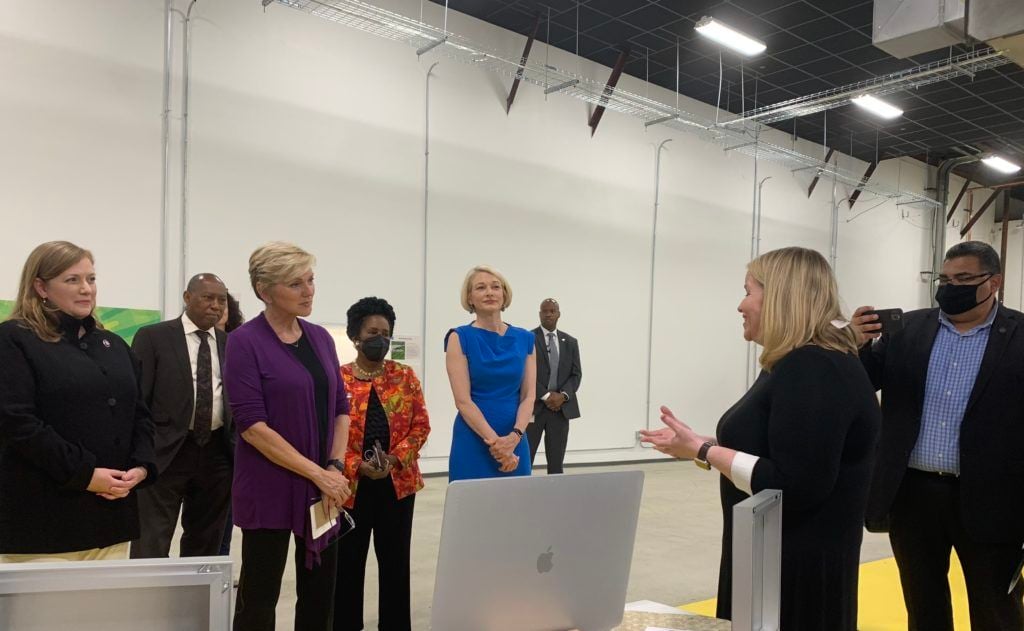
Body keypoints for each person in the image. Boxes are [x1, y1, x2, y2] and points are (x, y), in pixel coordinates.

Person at [641, 246, 880, 631]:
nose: (741, 304)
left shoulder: (813, 367)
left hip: (791, 576)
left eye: (749, 291)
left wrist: (705, 449)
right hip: (771, 561)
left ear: (781, 297)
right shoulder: (792, 364)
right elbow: (775, 449)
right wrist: (698, 448)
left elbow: (796, 484)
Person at [852, 240, 1024, 631]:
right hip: (912, 495)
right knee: (922, 603)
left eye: (964, 278)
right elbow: (862, 386)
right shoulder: (908, 329)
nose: (951, 286)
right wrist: (857, 347)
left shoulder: (1019, 336)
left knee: (996, 607)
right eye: (944, 278)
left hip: (993, 499)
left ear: (994, 282)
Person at [0, 241, 157, 562]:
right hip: (42, 524)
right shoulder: (14, 339)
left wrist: (141, 466)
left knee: (107, 613)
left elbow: (139, 414)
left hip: (112, 518)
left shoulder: (113, 345)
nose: (86, 289)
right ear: (40, 286)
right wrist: (85, 474)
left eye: (91, 279)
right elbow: (17, 423)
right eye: (72, 280)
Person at [224, 242, 352, 631]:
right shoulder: (244, 342)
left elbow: (340, 408)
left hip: (323, 487)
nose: (308, 290)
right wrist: (318, 473)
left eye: (310, 280)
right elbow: (252, 426)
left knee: (320, 592)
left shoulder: (321, 338)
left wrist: (334, 466)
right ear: (265, 290)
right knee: (259, 595)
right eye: (295, 284)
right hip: (269, 484)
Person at [335, 297, 431, 631]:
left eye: (386, 332)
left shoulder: (404, 376)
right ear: (355, 337)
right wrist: (355, 464)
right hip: (349, 487)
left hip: (398, 485)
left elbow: (421, 426)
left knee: (395, 564)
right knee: (347, 563)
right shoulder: (338, 379)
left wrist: (393, 459)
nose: (381, 339)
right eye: (373, 332)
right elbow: (325, 435)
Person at [130, 273, 234, 559]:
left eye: (221, 300)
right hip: (165, 452)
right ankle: (147, 601)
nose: (215, 305)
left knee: (206, 542)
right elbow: (138, 399)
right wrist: (140, 453)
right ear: (187, 298)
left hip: (217, 454)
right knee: (151, 539)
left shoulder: (231, 344)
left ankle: (196, 603)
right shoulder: (154, 337)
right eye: (207, 297)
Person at [445, 265, 535, 481]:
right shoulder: (459, 337)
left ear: (504, 294)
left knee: (516, 508)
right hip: (474, 439)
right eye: (481, 287)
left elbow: (528, 396)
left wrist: (514, 438)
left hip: (516, 438)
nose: (489, 292)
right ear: (470, 298)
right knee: (472, 509)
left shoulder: (526, 338)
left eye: (496, 287)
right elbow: (463, 401)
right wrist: (497, 444)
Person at [527, 298, 582, 474]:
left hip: (560, 410)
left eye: (552, 311)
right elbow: (524, 373)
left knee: (556, 462)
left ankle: (555, 498)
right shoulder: (528, 338)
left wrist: (563, 396)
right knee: (526, 458)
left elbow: (576, 374)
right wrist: (546, 396)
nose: (549, 314)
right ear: (539, 314)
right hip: (534, 407)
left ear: (559, 314)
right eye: (545, 311)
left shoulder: (570, 342)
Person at [217, 291, 244, 558]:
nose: (215, 308)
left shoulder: (239, 346)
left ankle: (219, 570)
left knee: (224, 521)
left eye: (222, 303)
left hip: (233, 449)